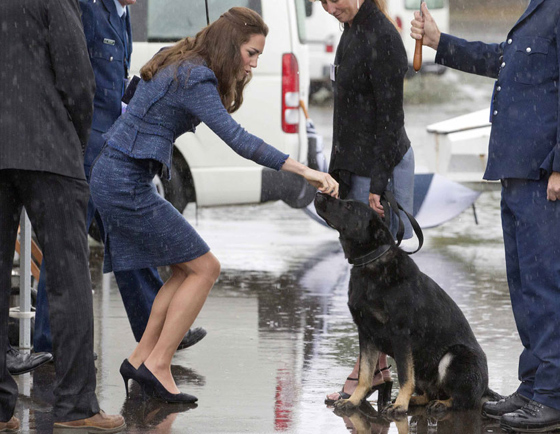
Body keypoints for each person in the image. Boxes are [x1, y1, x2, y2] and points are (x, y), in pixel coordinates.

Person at [89, 7, 339, 402]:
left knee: (184, 270)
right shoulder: (196, 76)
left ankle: (140, 358)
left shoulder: (180, 57)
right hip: (124, 183)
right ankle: (157, 364)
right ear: (230, 45)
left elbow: (133, 94)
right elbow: (240, 140)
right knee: (206, 268)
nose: (255, 62)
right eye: (251, 53)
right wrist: (305, 171)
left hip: (118, 175)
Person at [411, 0, 560, 431]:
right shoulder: (541, 7)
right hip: (519, 169)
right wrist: (442, 43)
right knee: (525, 285)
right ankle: (534, 387)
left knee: (549, 284)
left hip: (546, 172)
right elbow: (504, 59)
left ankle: (557, 396)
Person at [32, 0, 207, 357]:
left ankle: (152, 329)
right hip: (82, 147)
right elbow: (73, 75)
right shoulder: (87, 9)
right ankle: (51, 343)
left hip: (110, 146)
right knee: (68, 245)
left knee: (126, 237)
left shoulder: (120, 14)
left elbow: (112, 80)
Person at [0, 0, 125, 431]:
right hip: (49, 148)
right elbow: (77, 79)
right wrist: (75, 139)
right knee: (70, 278)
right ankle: (76, 406)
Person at [313, 0, 415, 405]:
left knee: (383, 276)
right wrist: (336, 170)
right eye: (320, 2)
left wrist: (378, 183)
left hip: (381, 165)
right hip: (354, 166)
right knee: (363, 274)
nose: (328, 7)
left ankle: (373, 372)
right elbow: (348, 112)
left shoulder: (383, 37)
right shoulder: (352, 30)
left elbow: (390, 119)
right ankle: (379, 369)